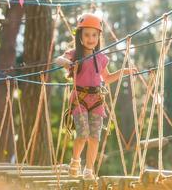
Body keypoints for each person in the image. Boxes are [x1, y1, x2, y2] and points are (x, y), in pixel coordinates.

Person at [55, 13, 136, 179]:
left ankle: (89, 169)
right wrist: (68, 63)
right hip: (80, 98)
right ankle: (75, 161)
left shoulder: (101, 58)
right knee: (83, 133)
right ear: (80, 36)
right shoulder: (74, 54)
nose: (91, 38)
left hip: (97, 100)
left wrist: (123, 72)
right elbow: (58, 60)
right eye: (86, 34)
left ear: (99, 37)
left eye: (94, 35)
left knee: (94, 137)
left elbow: (106, 78)